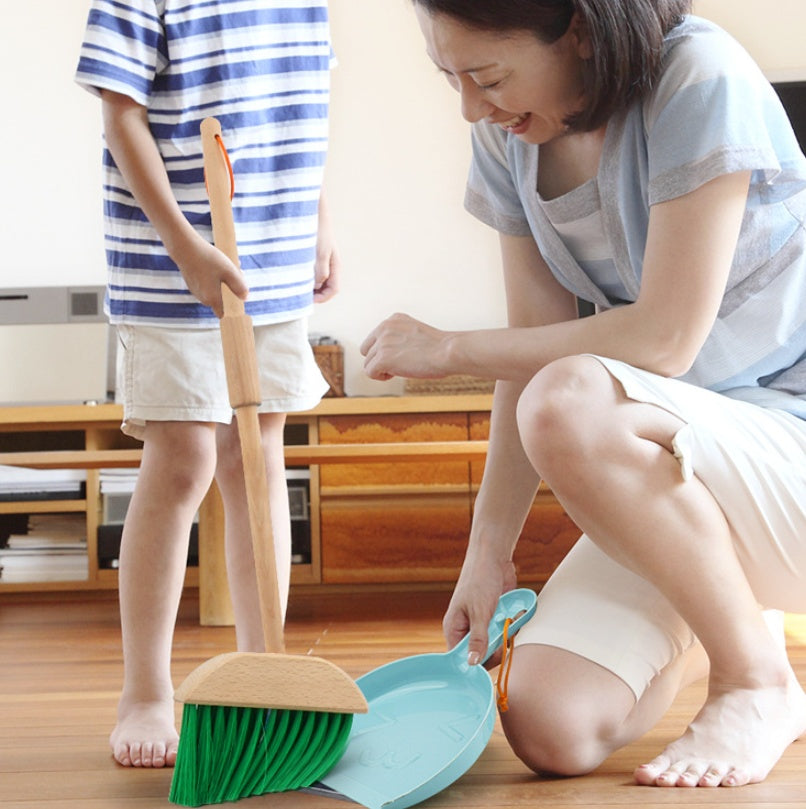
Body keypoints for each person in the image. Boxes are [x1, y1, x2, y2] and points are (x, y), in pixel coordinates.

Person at [361, 0, 806, 790]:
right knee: (553, 726)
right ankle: (732, 609)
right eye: (451, 78)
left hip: (786, 455)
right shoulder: (509, 138)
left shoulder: (698, 75)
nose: (471, 106)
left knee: (566, 400)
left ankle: (755, 678)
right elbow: (529, 355)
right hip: (682, 473)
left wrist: (449, 349)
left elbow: (665, 338)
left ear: (579, 30)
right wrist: (486, 551)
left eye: (487, 75)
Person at [75, 1, 339, 768]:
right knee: (184, 457)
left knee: (257, 459)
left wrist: (320, 220)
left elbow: (306, 108)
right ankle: (146, 690)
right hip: (170, 262)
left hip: (276, 256)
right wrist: (186, 247)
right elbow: (120, 118)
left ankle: (267, 672)